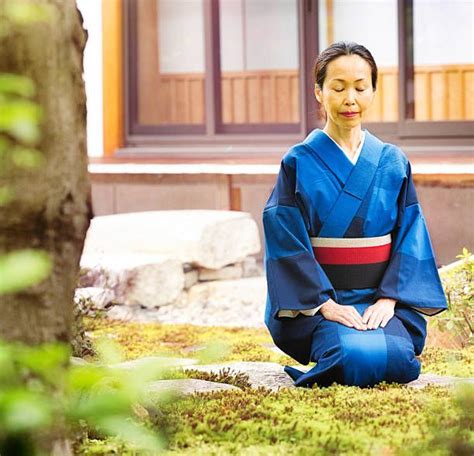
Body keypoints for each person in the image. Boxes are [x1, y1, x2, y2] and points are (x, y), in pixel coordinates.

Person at [262, 41, 448, 388]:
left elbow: (411, 233)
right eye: (338, 87)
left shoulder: (392, 161)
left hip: (379, 299)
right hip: (319, 304)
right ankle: (332, 340)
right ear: (319, 92)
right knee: (354, 356)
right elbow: (283, 236)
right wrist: (326, 305)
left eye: (361, 87)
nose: (351, 99)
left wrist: (389, 298)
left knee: (400, 361)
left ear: (374, 91)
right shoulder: (298, 162)